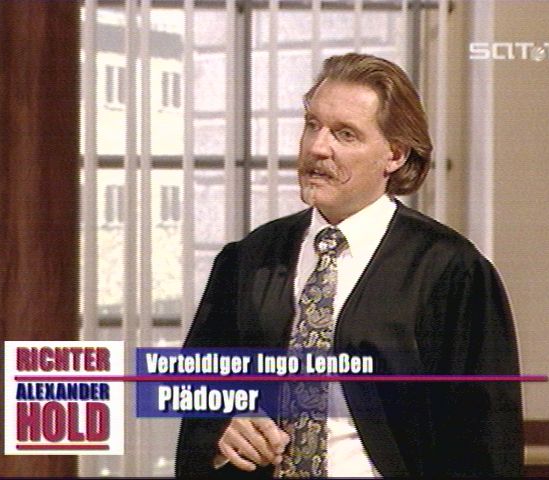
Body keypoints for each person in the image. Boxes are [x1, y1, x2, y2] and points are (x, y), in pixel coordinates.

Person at [175, 53, 523, 478]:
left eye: (345, 134)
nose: (317, 147)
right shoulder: (249, 259)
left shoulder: (450, 270)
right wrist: (220, 425)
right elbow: (196, 390)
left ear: (394, 154)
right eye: (312, 125)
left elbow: (486, 440)